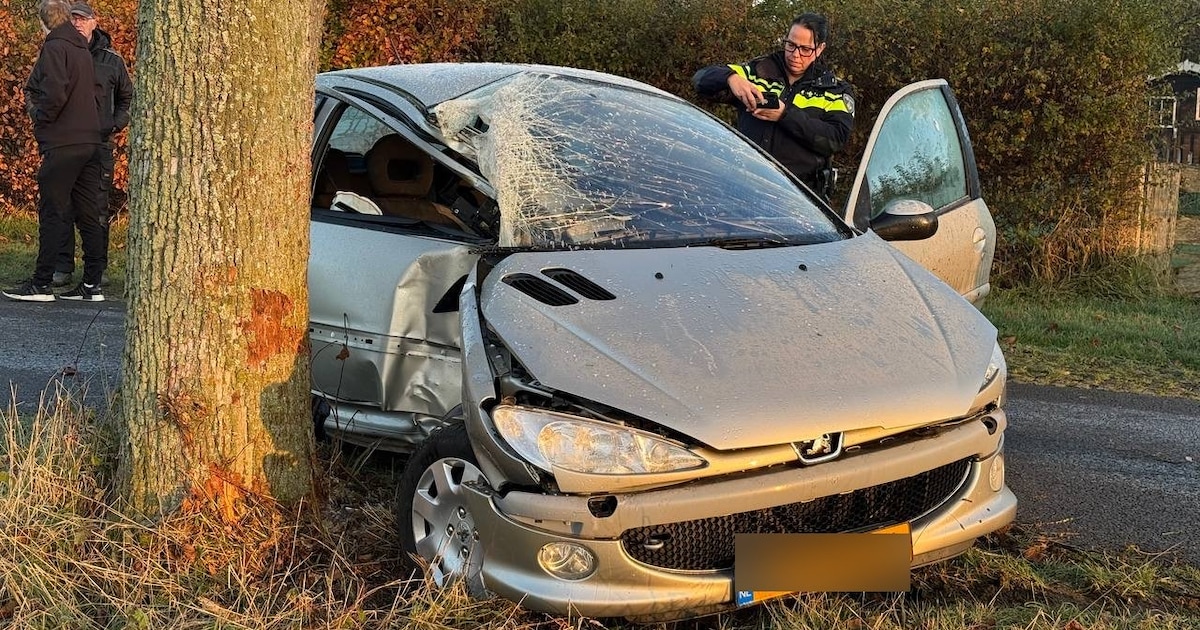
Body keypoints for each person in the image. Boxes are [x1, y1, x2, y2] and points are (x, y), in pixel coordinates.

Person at [4, 0, 106, 302]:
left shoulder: (54, 48)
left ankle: (42, 282)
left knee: (52, 210)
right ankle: (92, 284)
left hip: (64, 141)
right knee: (88, 213)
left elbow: (55, 93)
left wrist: (41, 120)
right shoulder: (81, 49)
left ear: (44, 23)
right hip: (90, 140)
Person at [693, 12, 855, 198]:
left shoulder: (835, 90)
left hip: (799, 199)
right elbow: (700, 80)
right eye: (791, 45)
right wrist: (730, 78)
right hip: (743, 189)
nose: (795, 55)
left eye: (805, 49)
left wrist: (784, 115)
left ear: (820, 49)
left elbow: (835, 139)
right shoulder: (758, 72)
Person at [51, 2, 132, 288]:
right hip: (62, 145)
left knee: (95, 209)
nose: (77, 23)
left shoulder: (112, 60)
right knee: (61, 206)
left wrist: (113, 124)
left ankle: (96, 271)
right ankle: (62, 267)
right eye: (72, 18)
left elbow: (127, 99)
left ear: (94, 23)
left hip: (98, 146)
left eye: (83, 19)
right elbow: (37, 92)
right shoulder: (56, 53)